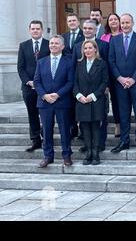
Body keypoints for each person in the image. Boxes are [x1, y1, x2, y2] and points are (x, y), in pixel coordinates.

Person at [34, 35, 74, 168]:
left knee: (64, 130)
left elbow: (70, 82)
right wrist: (44, 95)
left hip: (62, 101)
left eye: (56, 43)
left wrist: (57, 94)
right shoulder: (41, 61)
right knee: (46, 130)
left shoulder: (68, 61)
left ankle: (66, 155)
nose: (53, 45)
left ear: (62, 46)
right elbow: (37, 81)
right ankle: (48, 156)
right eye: (51, 43)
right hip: (45, 103)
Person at [109, 13, 136, 153]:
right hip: (120, 84)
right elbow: (111, 62)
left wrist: (133, 79)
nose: (124, 25)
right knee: (124, 114)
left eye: (127, 22)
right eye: (122, 23)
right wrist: (120, 78)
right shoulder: (114, 40)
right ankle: (124, 141)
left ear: (132, 23)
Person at [72, 20, 109, 152]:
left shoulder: (103, 45)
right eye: (85, 28)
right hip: (82, 91)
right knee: (85, 121)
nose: (87, 30)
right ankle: (87, 144)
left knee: (100, 118)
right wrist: (78, 93)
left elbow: (107, 66)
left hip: (99, 90)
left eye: (90, 28)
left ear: (95, 30)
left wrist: (106, 86)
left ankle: (100, 144)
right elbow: (74, 69)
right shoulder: (77, 46)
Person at [17, 20, 50, 152]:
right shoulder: (23, 46)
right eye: (33, 29)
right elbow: (20, 67)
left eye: (38, 28)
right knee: (32, 114)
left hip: (45, 87)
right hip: (28, 87)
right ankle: (35, 139)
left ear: (42, 30)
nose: (35, 31)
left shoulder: (49, 44)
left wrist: (41, 83)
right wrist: (29, 82)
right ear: (29, 30)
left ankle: (46, 137)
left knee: (45, 114)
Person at [100, 13, 122, 137]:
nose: (113, 21)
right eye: (111, 20)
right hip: (109, 74)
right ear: (108, 22)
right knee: (114, 101)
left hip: (122, 73)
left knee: (123, 101)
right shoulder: (104, 37)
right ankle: (117, 124)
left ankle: (124, 123)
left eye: (115, 19)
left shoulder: (123, 34)